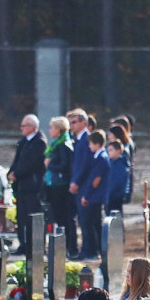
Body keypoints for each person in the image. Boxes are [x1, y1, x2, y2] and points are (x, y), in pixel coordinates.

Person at [8, 114, 47, 254]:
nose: (21, 128)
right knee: (22, 217)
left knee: (34, 217)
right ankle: (23, 244)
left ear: (32, 127)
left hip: (33, 186)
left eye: (24, 126)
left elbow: (32, 164)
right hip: (21, 186)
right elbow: (17, 160)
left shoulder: (39, 142)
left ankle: (36, 246)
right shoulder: (23, 142)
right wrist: (11, 172)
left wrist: (17, 174)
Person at [43, 116, 77, 259]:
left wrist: (49, 164)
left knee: (63, 218)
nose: (49, 130)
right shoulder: (57, 143)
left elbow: (65, 165)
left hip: (60, 186)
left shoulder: (64, 145)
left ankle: (68, 246)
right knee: (57, 217)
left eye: (52, 127)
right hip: (54, 184)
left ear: (58, 129)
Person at [76, 131, 110, 260]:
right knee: (95, 224)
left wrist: (86, 195)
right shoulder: (99, 156)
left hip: (95, 197)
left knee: (89, 224)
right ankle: (97, 249)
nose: (89, 146)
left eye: (91, 143)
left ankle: (91, 250)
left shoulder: (101, 158)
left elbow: (95, 180)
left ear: (97, 143)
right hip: (96, 196)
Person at [67, 108, 92, 255]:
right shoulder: (76, 139)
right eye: (70, 122)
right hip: (77, 184)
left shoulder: (86, 139)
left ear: (83, 122)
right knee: (81, 219)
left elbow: (85, 164)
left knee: (86, 220)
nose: (72, 125)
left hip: (83, 185)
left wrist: (76, 182)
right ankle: (84, 248)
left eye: (75, 122)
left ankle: (88, 250)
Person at [105, 141, 129, 215]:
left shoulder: (120, 165)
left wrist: (108, 194)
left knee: (115, 219)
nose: (109, 152)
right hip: (110, 196)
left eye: (111, 150)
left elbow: (116, 182)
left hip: (115, 197)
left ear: (118, 151)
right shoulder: (112, 163)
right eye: (108, 150)